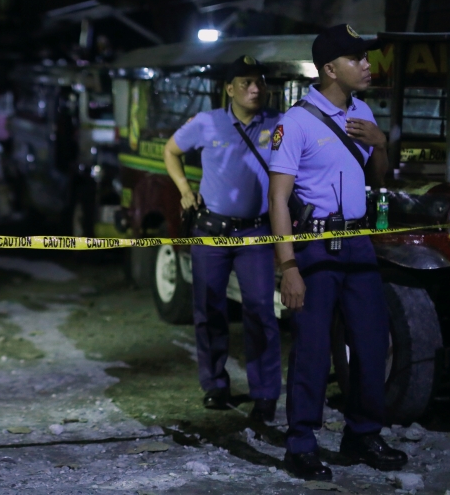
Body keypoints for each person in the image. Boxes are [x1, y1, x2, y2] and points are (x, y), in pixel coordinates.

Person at [268, 24, 405, 480]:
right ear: (330, 68)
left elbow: (380, 181)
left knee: (370, 342)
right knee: (310, 349)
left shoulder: (362, 112)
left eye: (366, 58)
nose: (368, 65)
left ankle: (363, 433)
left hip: (359, 243)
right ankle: (301, 444)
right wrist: (288, 265)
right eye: (357, 59)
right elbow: (278, 199)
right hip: (314, 246)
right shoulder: (298, 121)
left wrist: (380, 144)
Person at [163, 56, 283, 423]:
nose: (255, 89)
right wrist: (184, 188)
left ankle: (264, 394)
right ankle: (214, 384)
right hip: (211, 231)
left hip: (256, 231)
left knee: (261, 310)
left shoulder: (279, 123)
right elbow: (171, 150)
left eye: (259, 82)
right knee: (209, 308)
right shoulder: (206, 122)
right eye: (246, 82)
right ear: (229, 88)